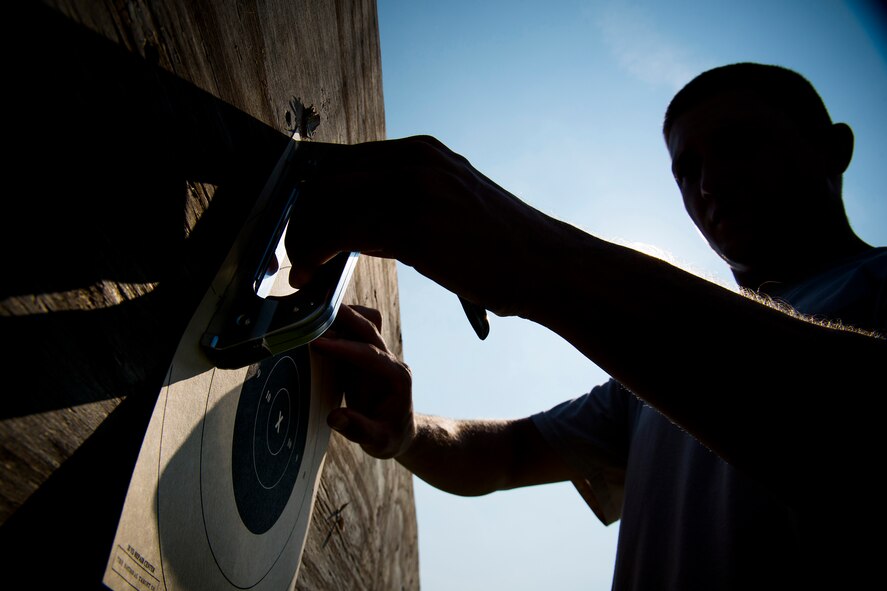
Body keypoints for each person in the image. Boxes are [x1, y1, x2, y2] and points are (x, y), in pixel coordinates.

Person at [289, 63, 886, 588]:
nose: (709, 184)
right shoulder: (649, 389)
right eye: (687, 168)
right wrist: (411, 432)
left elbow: (847, 427)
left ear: (832, 147)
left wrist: (530, 255)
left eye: (739, 145)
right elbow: (510, 454)